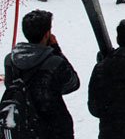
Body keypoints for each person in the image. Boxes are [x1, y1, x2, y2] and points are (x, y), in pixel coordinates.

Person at [4, 10, 80, 139]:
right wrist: (56, 49)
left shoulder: (10, 60)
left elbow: (9, 85)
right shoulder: (54, 62)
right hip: (53, 128)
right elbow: (72, 84)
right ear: (47, 35)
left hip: (22, 125)